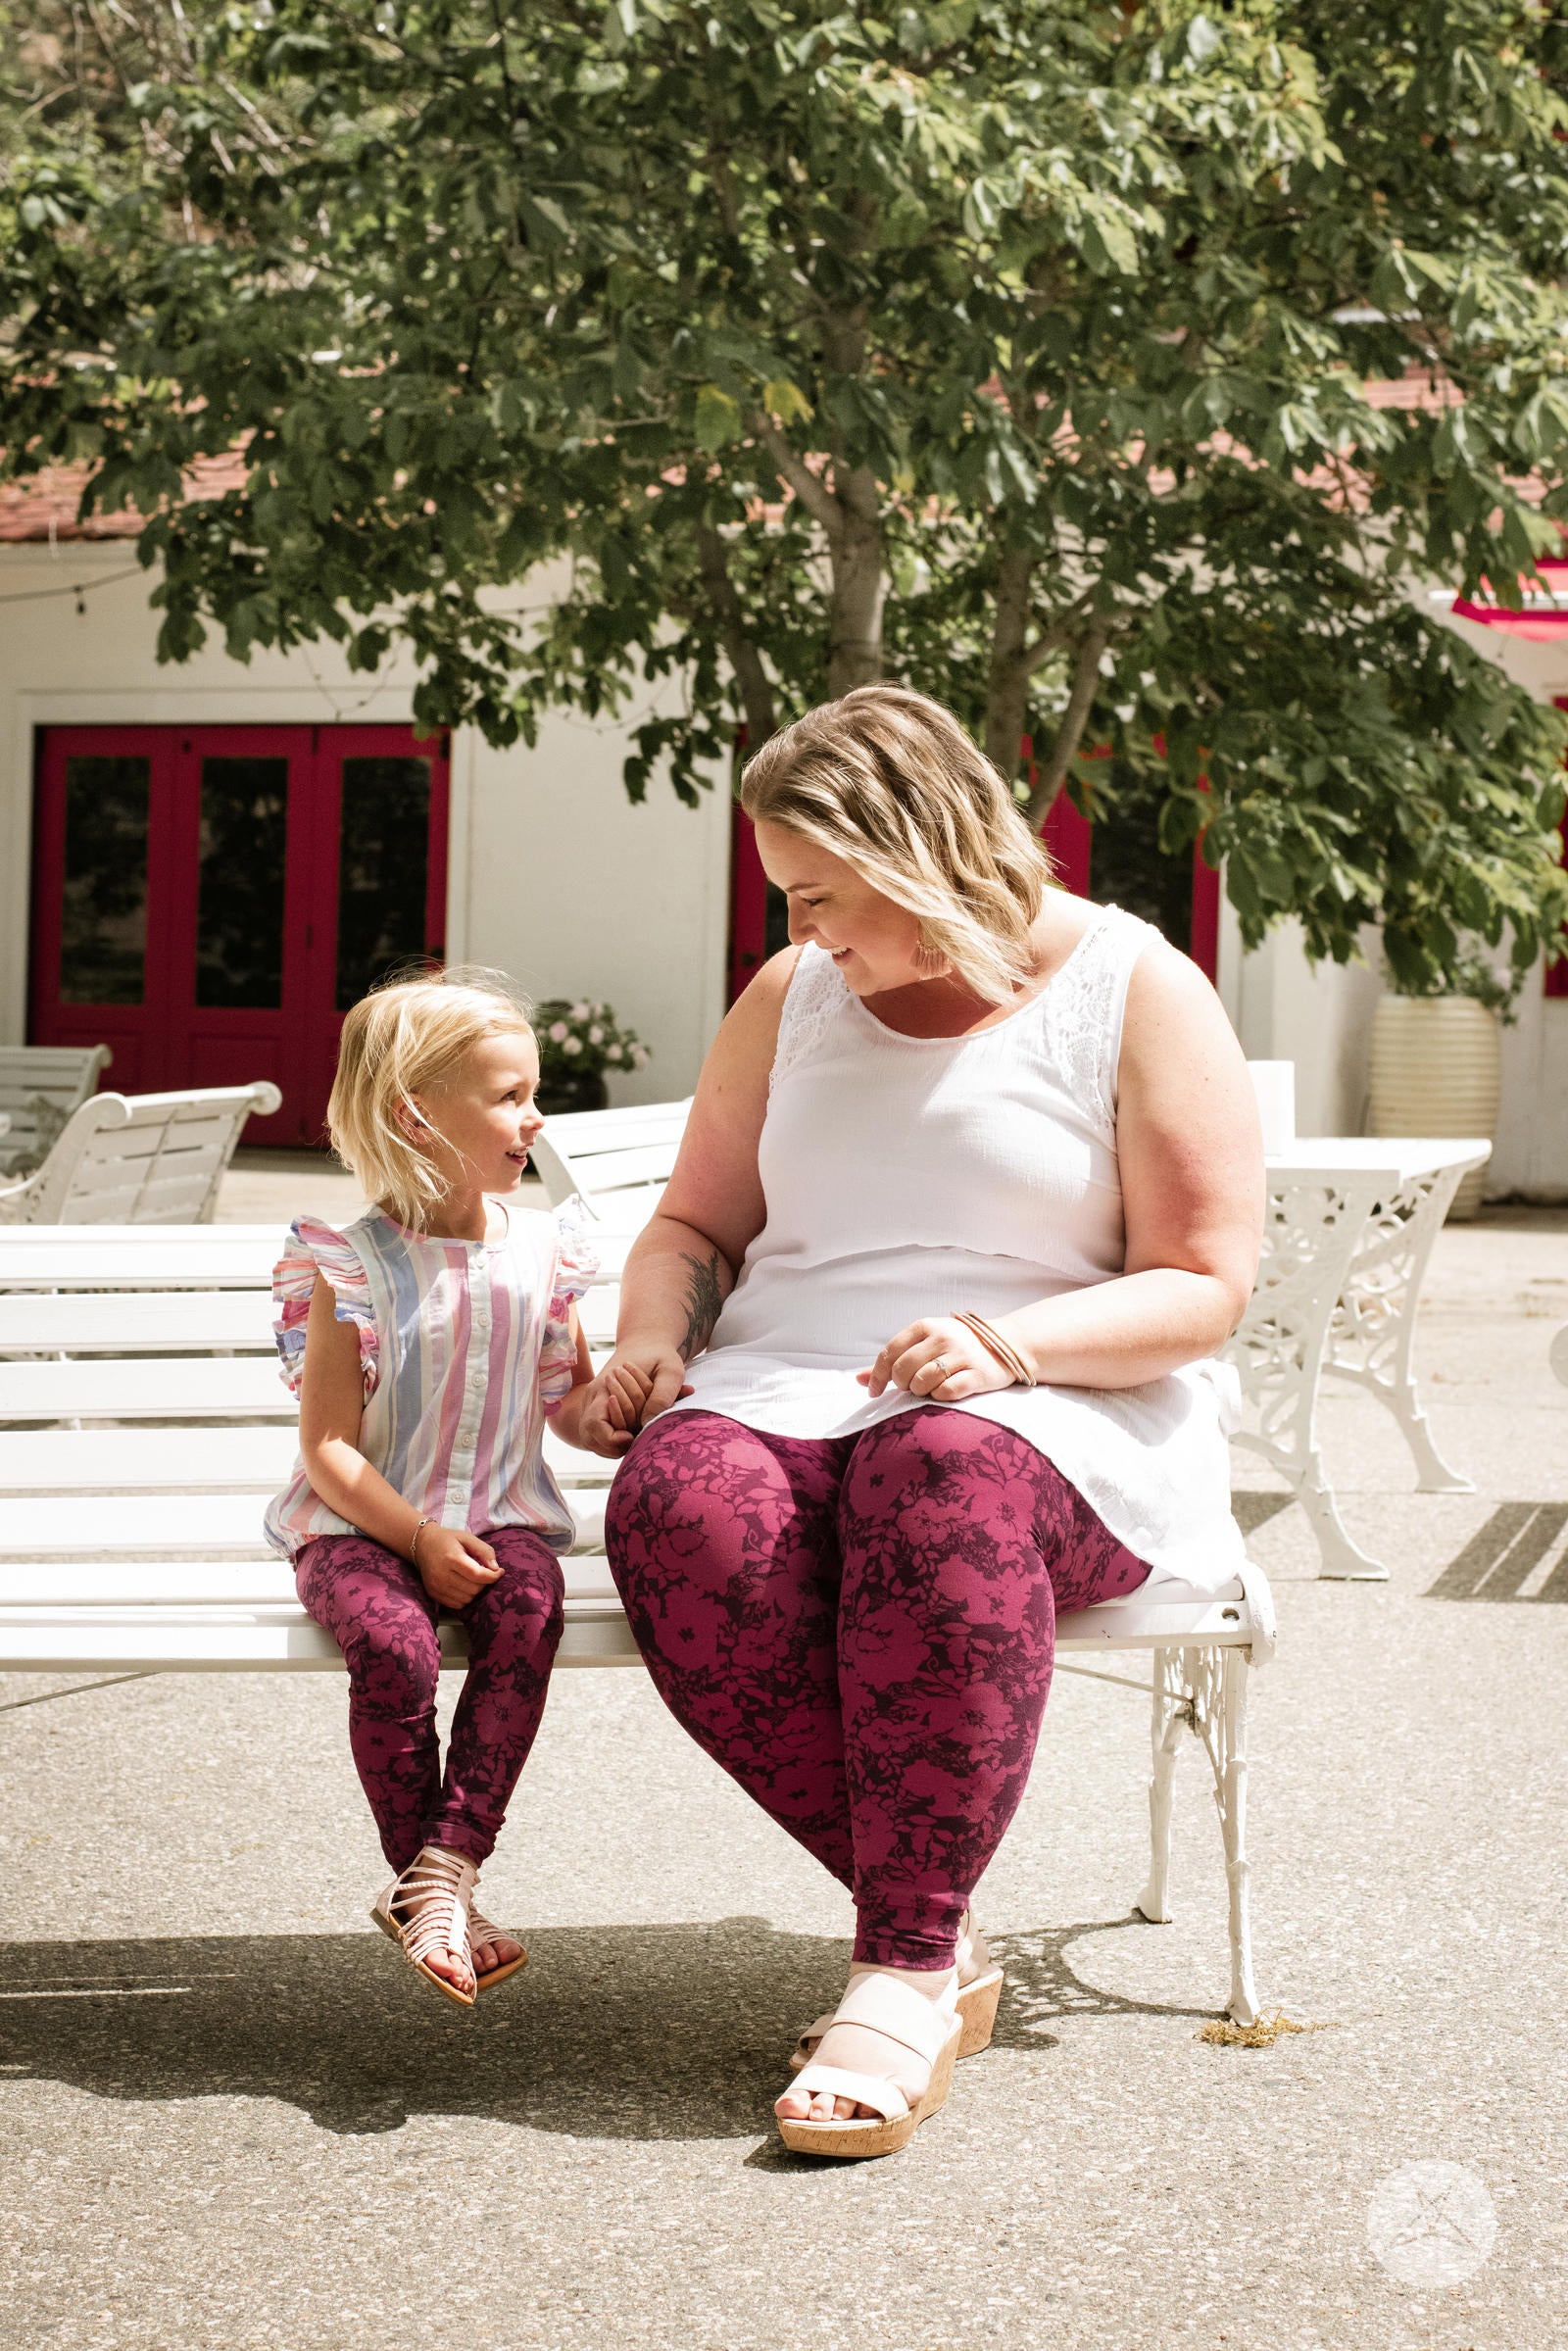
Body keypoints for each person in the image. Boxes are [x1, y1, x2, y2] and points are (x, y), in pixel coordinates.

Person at [586, 686, 1263, 2158]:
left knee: (935, 1465)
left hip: (1059, 1411)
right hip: (790, 1389)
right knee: (677, 1505)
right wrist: (650, 1342)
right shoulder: (792, 998)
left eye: (823, 894)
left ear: (918, 849)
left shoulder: (1135, 987)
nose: (806, 930)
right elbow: (697, 1218)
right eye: (791, 899)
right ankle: (937, 1930)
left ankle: (896, 1971)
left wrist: (1006, 1342)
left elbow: (1207, 1283)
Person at [264, 968, 598, 2008]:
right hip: (362, 1525)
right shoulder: (350, 1265)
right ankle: (430, 1881)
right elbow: (328, 1449)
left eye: (531, 1090)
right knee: (396, 1644)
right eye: (506, 1095)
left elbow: (574, 1406)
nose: (532, 1115)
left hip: (501, 1521)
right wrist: (415, 1539)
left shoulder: (545, 1252)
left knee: (529, 1612)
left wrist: (637, 1402)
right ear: (416, 1112)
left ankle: (443, 1869)